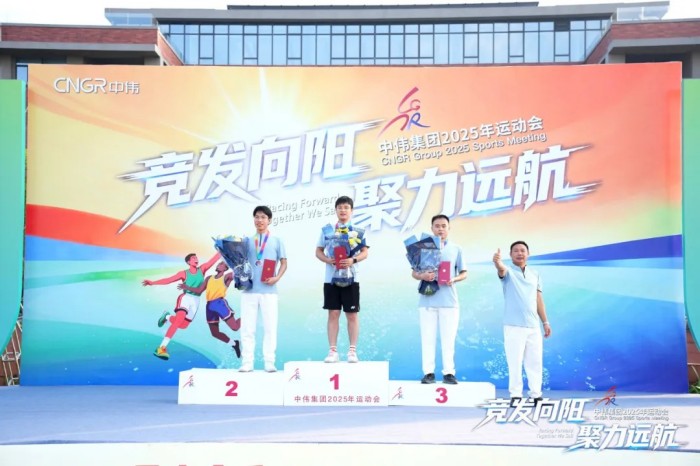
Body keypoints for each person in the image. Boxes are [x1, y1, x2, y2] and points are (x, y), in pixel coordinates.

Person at [493, 241, 552, 406]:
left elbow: (538, 299)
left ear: (528, 253)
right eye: (516, 251)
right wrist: (497, 262)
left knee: (535, 362)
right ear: (511, 255)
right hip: (514, 325)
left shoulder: (535, 274)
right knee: (515, 361)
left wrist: (545, 322)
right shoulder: (508, 272)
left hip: (533, 326)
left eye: (523, 250)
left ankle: (536, 395)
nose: (520, 253)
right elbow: (501, 269)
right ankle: (516, 395)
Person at [412, 214, 467, 385]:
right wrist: (423, 276)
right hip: (427, 300)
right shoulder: (422, 248)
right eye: (437, 226)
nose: (440, 229)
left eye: (444, 226)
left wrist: (454, 279)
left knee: (448, 339)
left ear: (449, 228)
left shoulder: (456, 249)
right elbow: (414, 272)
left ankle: (449, 373)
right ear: (432, 228)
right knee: (427, 338)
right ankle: (428, 373)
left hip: (449, 301)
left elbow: (464, 272)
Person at [316, 196, 369, 364]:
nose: (343, 210)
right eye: (340, 207)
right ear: (336, 210)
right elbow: (318, 251)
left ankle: (352, 351)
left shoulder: (358, 231)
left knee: (352, 314)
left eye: (346, 207)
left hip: (351, 278)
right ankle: (333, 351)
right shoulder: (328, 230)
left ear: (351, 210)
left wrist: (353, 260)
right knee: (333, 313)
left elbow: (365, 252)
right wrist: (328, 260)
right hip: (331, 279)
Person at [142, 251, 220, 360]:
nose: (196, 259)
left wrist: (222, 249)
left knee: (183, 325)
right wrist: (153, 282)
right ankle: (161, 348)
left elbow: (213, 260)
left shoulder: (202, 269)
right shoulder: (183, 273)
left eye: (196, 258)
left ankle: (167, 316)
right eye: (193, 258)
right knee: (178, 320)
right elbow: (168, 280)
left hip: (196, 300)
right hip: (185, 298)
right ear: (188, 262)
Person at [239, 205, 287, 373]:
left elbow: (284, 263)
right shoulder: (246, 241)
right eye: (257, 217)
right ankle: (247, 362)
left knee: (270, 328)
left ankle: (269, 362)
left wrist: (277, 277)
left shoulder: (277, 240)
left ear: (269, 220)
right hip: (249, 290)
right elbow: (239, 263)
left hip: (269, 291)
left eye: (263, 217)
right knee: (247, 328)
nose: (259, 220)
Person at [178, 261, 241, 358]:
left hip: (219, 303)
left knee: (235, 327)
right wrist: (187, 287)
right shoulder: (209, 278)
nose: (218, 265)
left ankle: (248, 316)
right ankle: (234, 344)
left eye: (221, 265)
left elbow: (237, 273)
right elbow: (199, 290)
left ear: (225, 268)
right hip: (209, 306)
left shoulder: (226, 276)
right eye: (218, 264)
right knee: (215, 333)